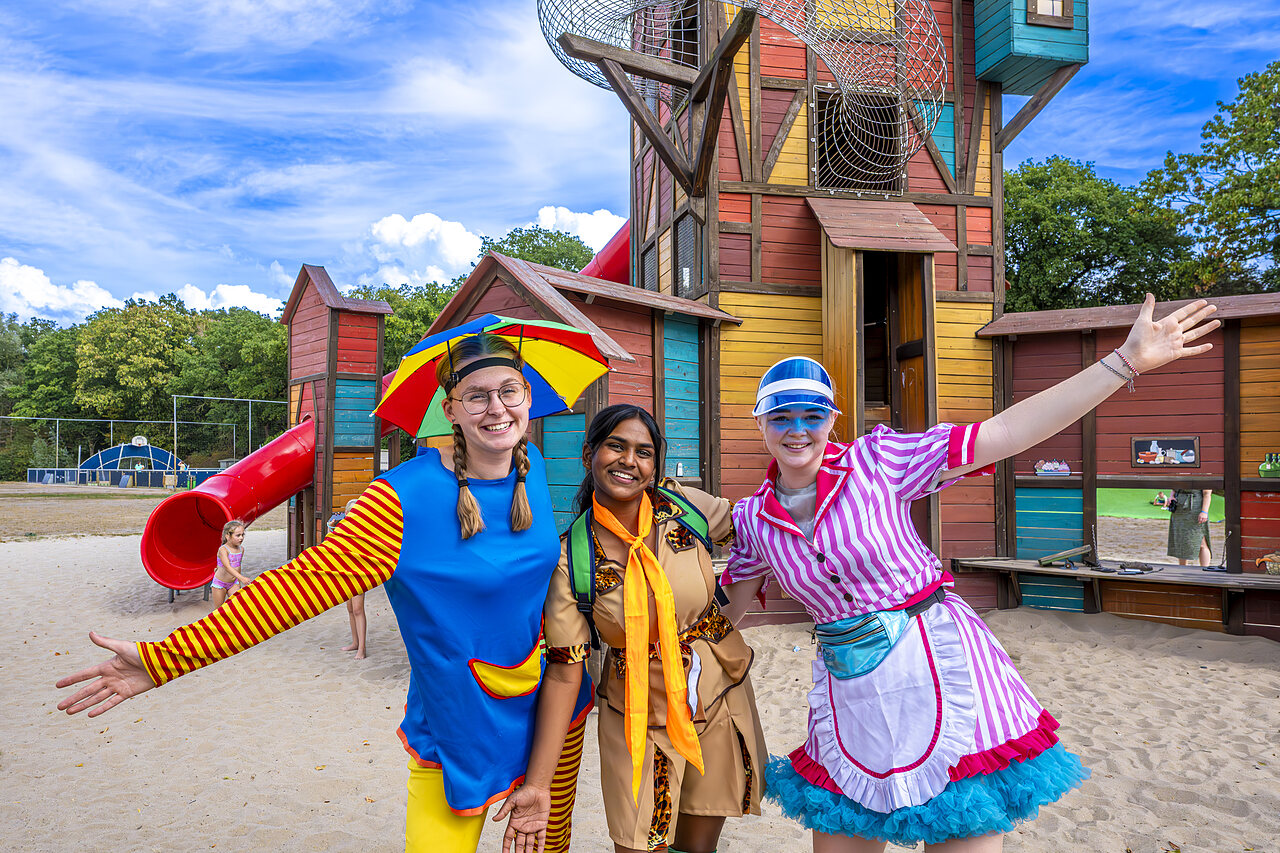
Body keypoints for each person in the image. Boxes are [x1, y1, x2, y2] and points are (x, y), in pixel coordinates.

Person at [719, 294, 1219, 852]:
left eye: (812, 414)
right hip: (850, 690)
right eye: (781, 415)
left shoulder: (876, 461)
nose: (797, 429)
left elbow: (1004, 435)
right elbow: (720, 614)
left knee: (962, 825)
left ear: (832, 420)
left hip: (939, 662)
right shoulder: (754, 520)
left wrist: (1122, 363)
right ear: (760, 423)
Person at [55, 332, 579, 853]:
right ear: (452, 410)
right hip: (456, 722)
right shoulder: (399, 500)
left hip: (550, 714)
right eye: (477, 396)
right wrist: (164, 659)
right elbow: (291, 591)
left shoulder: (531, 470)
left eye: (510, 391)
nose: (496, 408)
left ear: (528, 399)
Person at [502, 404, 766, 853]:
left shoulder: (684, 508)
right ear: (589, 454)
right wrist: (539, 784)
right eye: (616, 446)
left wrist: (730, 614)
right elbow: (566, 672)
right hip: (638, 714)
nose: (630, 460)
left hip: (717, 695)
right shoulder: (572, 559)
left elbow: (763, 530)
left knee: (699, 844)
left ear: (656, 466)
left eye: (644, 452)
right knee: (640, 843)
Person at [328, 498, 369, 659]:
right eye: (350, 512)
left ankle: (362, 648)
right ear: (345, 514)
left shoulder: (362, 530)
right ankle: (355, 642)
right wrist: (330, 526)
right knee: (350, 609)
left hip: (359, 573)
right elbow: (330, 542)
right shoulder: (341, 529)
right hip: (346, 573)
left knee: (358, 609)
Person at [1166, 488, 1213, 565]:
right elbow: (1174, 487)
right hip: (1179, 507)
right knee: (1181, 539)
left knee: (1201, 541)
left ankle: (1204, 569)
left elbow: (1207, 494)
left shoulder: (1203, 475)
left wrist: (1204, 512)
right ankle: (1182, 568)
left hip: (1195, 508)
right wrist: (1172, 496)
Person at [210, 519, 252, 607]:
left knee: (237, 607)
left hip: (234, 583)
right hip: (220, 583)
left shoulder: (241, 549)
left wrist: (238, 581)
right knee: (219, 610)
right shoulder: (223, 549)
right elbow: (227, 567)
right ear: (227, 536)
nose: (241, 538)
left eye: (242, 535)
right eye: (238, 535)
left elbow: (238, 566)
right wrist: (242, 578)